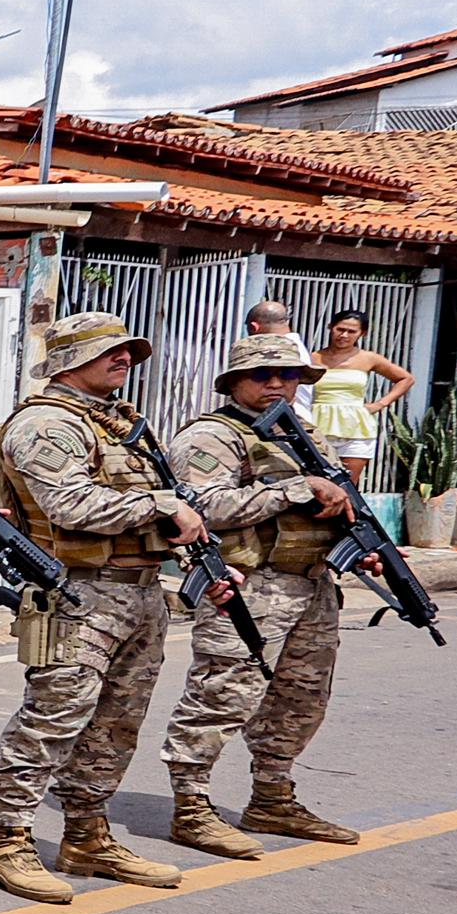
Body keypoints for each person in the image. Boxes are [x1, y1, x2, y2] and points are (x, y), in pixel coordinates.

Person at [0, 314, 213, 903]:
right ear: (68, 359)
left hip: (137, 591)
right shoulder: (45, 425)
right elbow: (70, 506)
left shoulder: (121, 424)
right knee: (54, 716)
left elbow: (167, 505)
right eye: (109, 350)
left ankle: (86, 833)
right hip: (77, 593)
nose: (124, 359)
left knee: (116, 723)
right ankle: (9, 842)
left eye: (129, 350)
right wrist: (160, 506)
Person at [158, 332, 365, 852]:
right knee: (221, 695)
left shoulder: (304, 435)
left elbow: (332, 501)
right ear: (234, 383)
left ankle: (272, 798)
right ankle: (190, 805)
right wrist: (296, 489)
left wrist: (357, 541)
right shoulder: (210, 437)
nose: (277, 384)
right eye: (262, 375)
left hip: (311, 585)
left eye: (289, 375)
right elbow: (199, 506)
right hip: (249, 586)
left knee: (301, 699)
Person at [308, 308, 412, 496]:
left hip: (356, 428)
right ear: (330, 327)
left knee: (346, 487)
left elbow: (405, 379)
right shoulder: (313, 358)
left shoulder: (368, 358)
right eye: (340, 329)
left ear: (362, 333)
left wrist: (380, 404)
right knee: (317, 484)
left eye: (351, 331)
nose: (344, 335)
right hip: (318, 425)